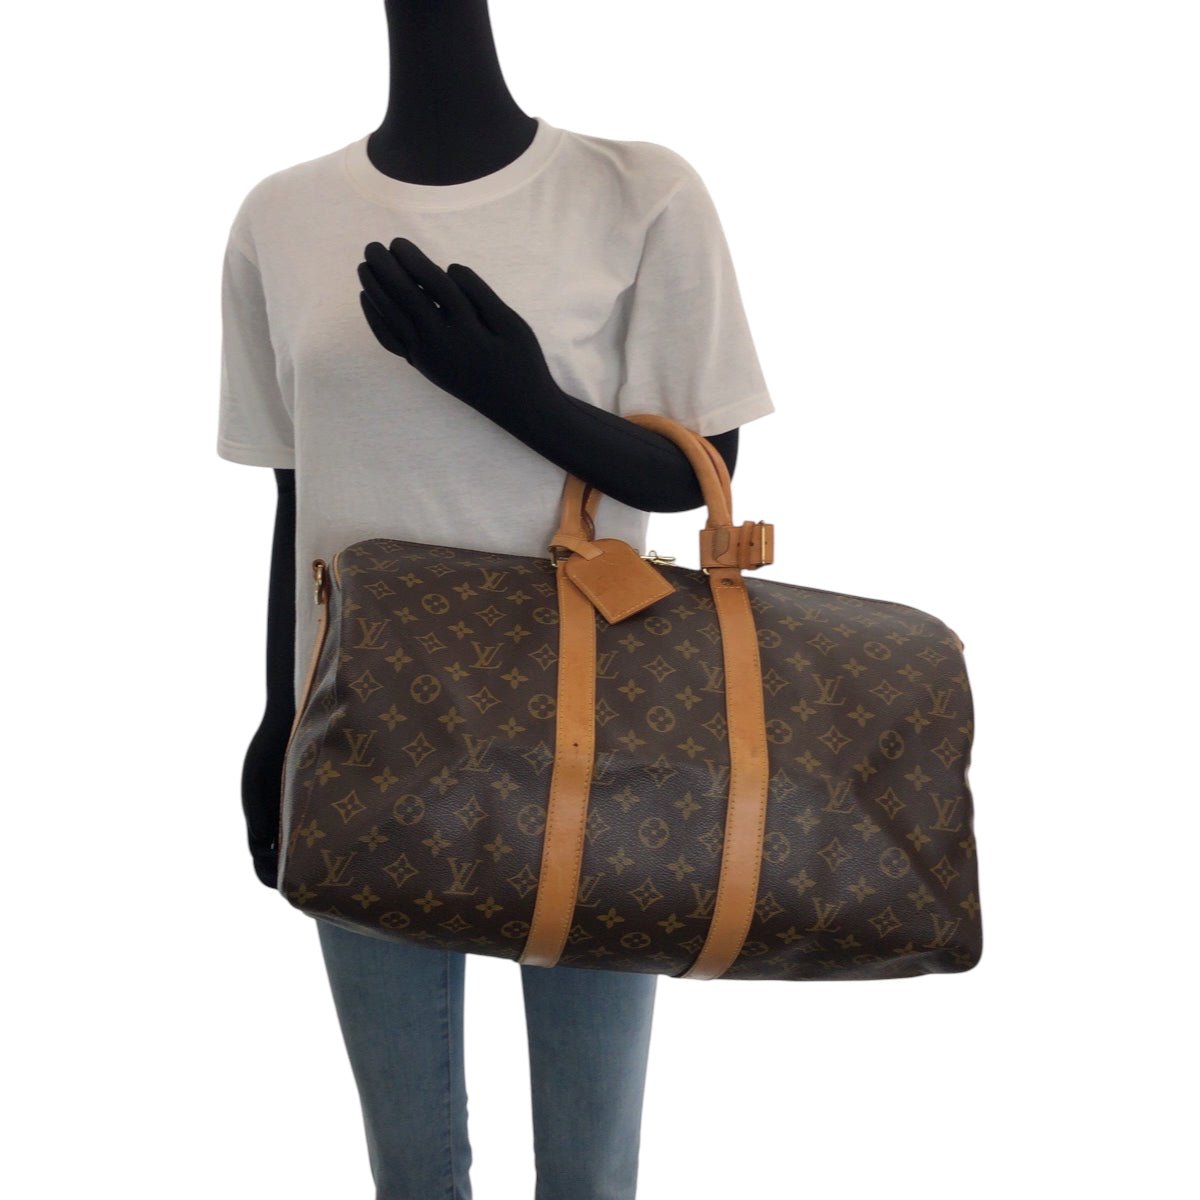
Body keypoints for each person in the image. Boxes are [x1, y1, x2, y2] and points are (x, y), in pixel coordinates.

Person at [216, 3, 774, 1196]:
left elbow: (695, 471)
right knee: (411, 1170)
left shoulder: (640, 194)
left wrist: (510, 390)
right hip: (363, 733)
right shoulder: (280, 217)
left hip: (597, 736)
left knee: (590, 1172)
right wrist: (275, 720)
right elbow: (297, 495)